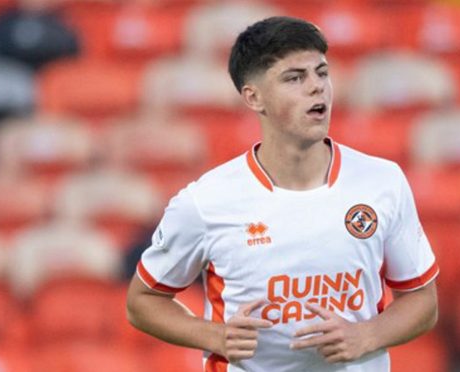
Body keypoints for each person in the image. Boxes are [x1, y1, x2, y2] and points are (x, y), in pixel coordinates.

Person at [127, 16, 439, 371]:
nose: (316, 87)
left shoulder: (383, 181)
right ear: (254, 97)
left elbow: (422, 300)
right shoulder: (206, 201)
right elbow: (143, 301)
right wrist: (213, 336)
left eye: (322, 73)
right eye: (295, 78)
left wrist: (366, 335)